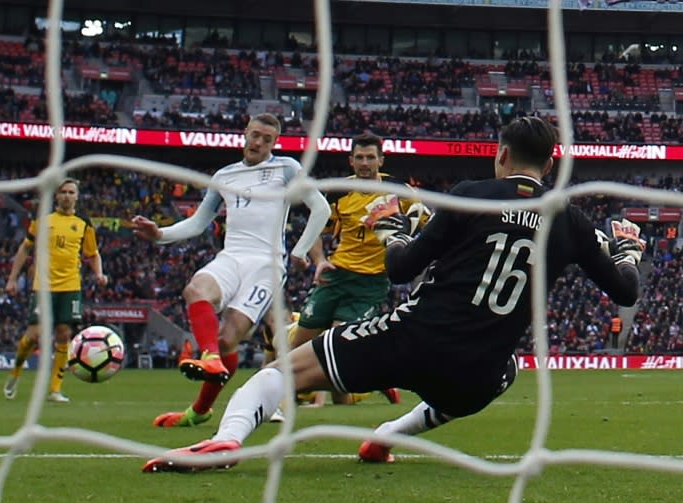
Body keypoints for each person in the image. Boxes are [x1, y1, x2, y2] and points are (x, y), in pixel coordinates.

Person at [141, 116, 642, 472]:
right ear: (550, 165)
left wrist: (394, 230)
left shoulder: (468, 194)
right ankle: (384, 439)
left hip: (414, 337)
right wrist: (627, 253)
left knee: (278, 372)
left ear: (502, 155)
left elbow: (401, 269)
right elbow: (624, 289)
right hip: (477, 369)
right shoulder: (572, 220)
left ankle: (226, 440)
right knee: (506, 370)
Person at [132, 112, 330, 428]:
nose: (259, 142)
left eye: (267, 139)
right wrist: (161, 234)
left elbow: (321, 208)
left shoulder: (286, 168)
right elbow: (199, 222)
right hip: (232, 256)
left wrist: (301, 249)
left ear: (274, 143)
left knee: (228, 340)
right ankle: (209, 357)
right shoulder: (225, 175)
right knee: (195, 290)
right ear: (245, 134)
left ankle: (199, 410)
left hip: (266, 265)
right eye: (255, 135)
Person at [289, 132, 428, 406]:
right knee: (298, 346)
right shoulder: (338, 192)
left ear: (381, 160)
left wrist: (406, 247)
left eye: (370, 157)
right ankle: (372, 385)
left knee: (339, 348)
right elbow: (316, 230)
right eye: (360, 157)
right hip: (336, 276)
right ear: (351, 161)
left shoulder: (400, 191)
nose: (365, 162)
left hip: (371, 283)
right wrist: (319, 260)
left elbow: (426, 220)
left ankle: (359, 390)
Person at [3, 178, 108, 402]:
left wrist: (99, 273)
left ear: (77, 197)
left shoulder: (83, 223)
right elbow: (25, 249)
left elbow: (93, 253)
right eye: (63, 192)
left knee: (64, 334)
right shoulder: (42, 220)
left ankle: (55, 389)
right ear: (56, 196)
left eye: (71, 192)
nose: (67, 196)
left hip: (71, 286)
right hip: (44, 287)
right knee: (34, 336)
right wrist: (12, 279)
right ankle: (16, 372)